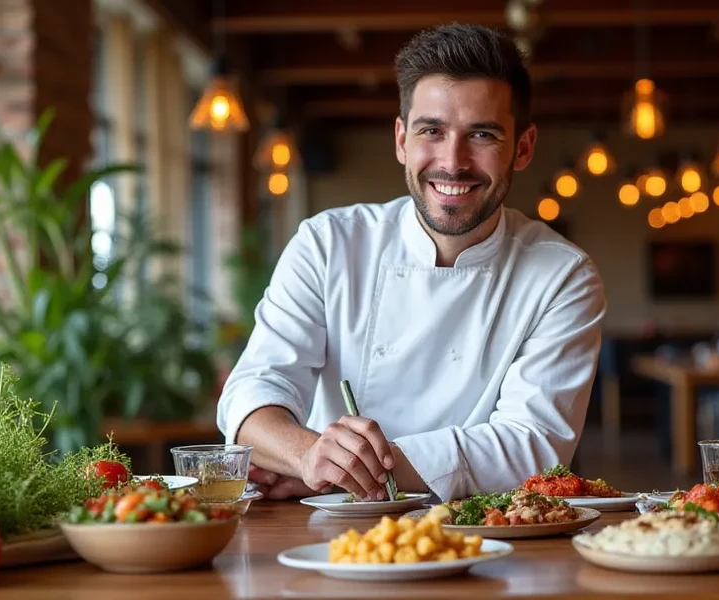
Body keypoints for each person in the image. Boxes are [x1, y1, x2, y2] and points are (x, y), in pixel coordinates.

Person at [216, 23, 607, 503]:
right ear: (402, 139)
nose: (453, 161)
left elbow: (532, 444)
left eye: (481, 134)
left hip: (487, 539)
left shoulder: (562, 275)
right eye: (432, 131)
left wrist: (346, 471)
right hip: (327, 529)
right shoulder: (328, 243)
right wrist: (308, 456)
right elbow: (253, 393)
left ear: (522, 148)